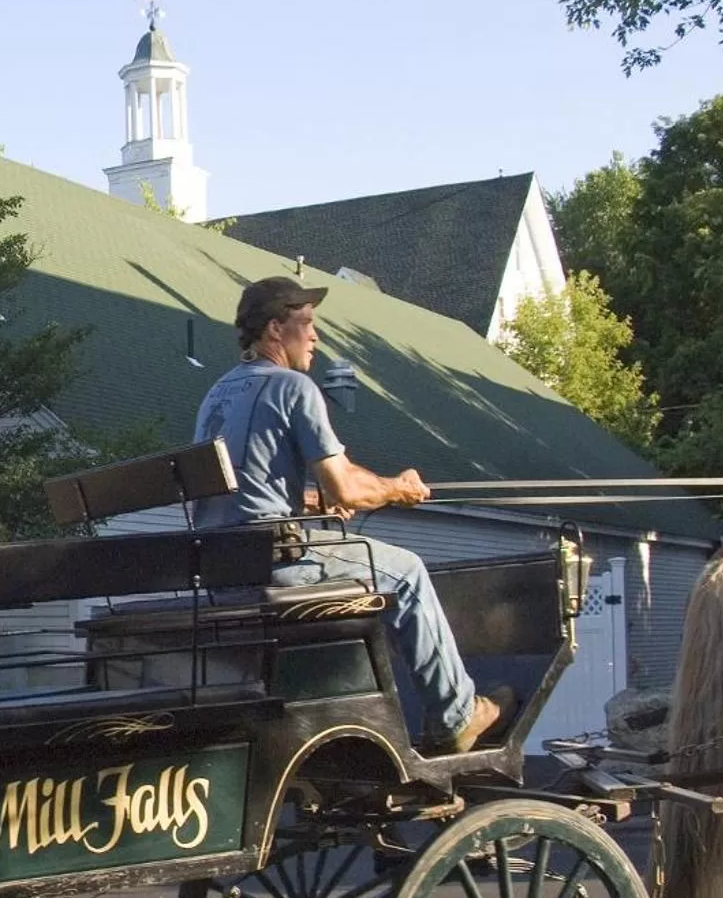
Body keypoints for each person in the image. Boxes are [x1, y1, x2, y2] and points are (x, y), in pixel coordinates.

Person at [193, 276, 507, 753]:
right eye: (308, 323)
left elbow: (247, 487)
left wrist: (314, 503)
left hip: (221, 562)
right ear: (276, 330)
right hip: (273, 562)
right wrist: (397, 489)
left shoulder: (218, 393)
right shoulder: (293, 386)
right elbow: (344, 484)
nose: (316, 336)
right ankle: (458, 715)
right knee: (406, 572)